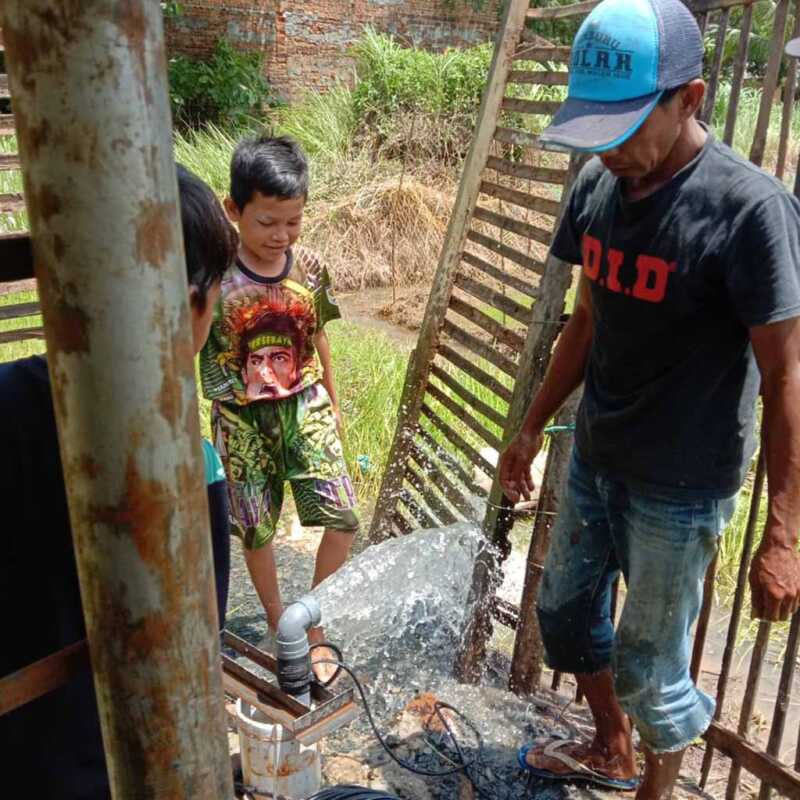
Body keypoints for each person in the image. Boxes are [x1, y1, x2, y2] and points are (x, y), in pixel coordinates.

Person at [499, 1, 800, 798]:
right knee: (562, 618)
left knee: (652, 664)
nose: (609, 151)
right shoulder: (598, 187)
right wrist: (529, 428)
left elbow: (785, 376)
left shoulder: (749, 211)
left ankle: (656, 792)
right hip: (598, 456)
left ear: (689, 100)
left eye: (627, 128)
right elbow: (586, 321)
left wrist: (784, 534)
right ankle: (612, 744)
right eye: (596, 130)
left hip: (684, 485)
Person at [0, 165, 239, 799]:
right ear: (193, 305)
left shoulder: (3, 402)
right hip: (109, 775)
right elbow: (190, 652)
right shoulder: (188, 461)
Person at [200, 135, 358, 681]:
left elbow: (320, 337)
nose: (281, 235)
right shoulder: (216, 276)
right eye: (268, 221)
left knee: (342, 518)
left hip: (305, 408)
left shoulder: (309, 268)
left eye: (293, 221)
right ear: (233, 210)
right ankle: (276, 621)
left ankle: (313, 626)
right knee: (257, 530)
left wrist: (334, 404)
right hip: (241, 421)